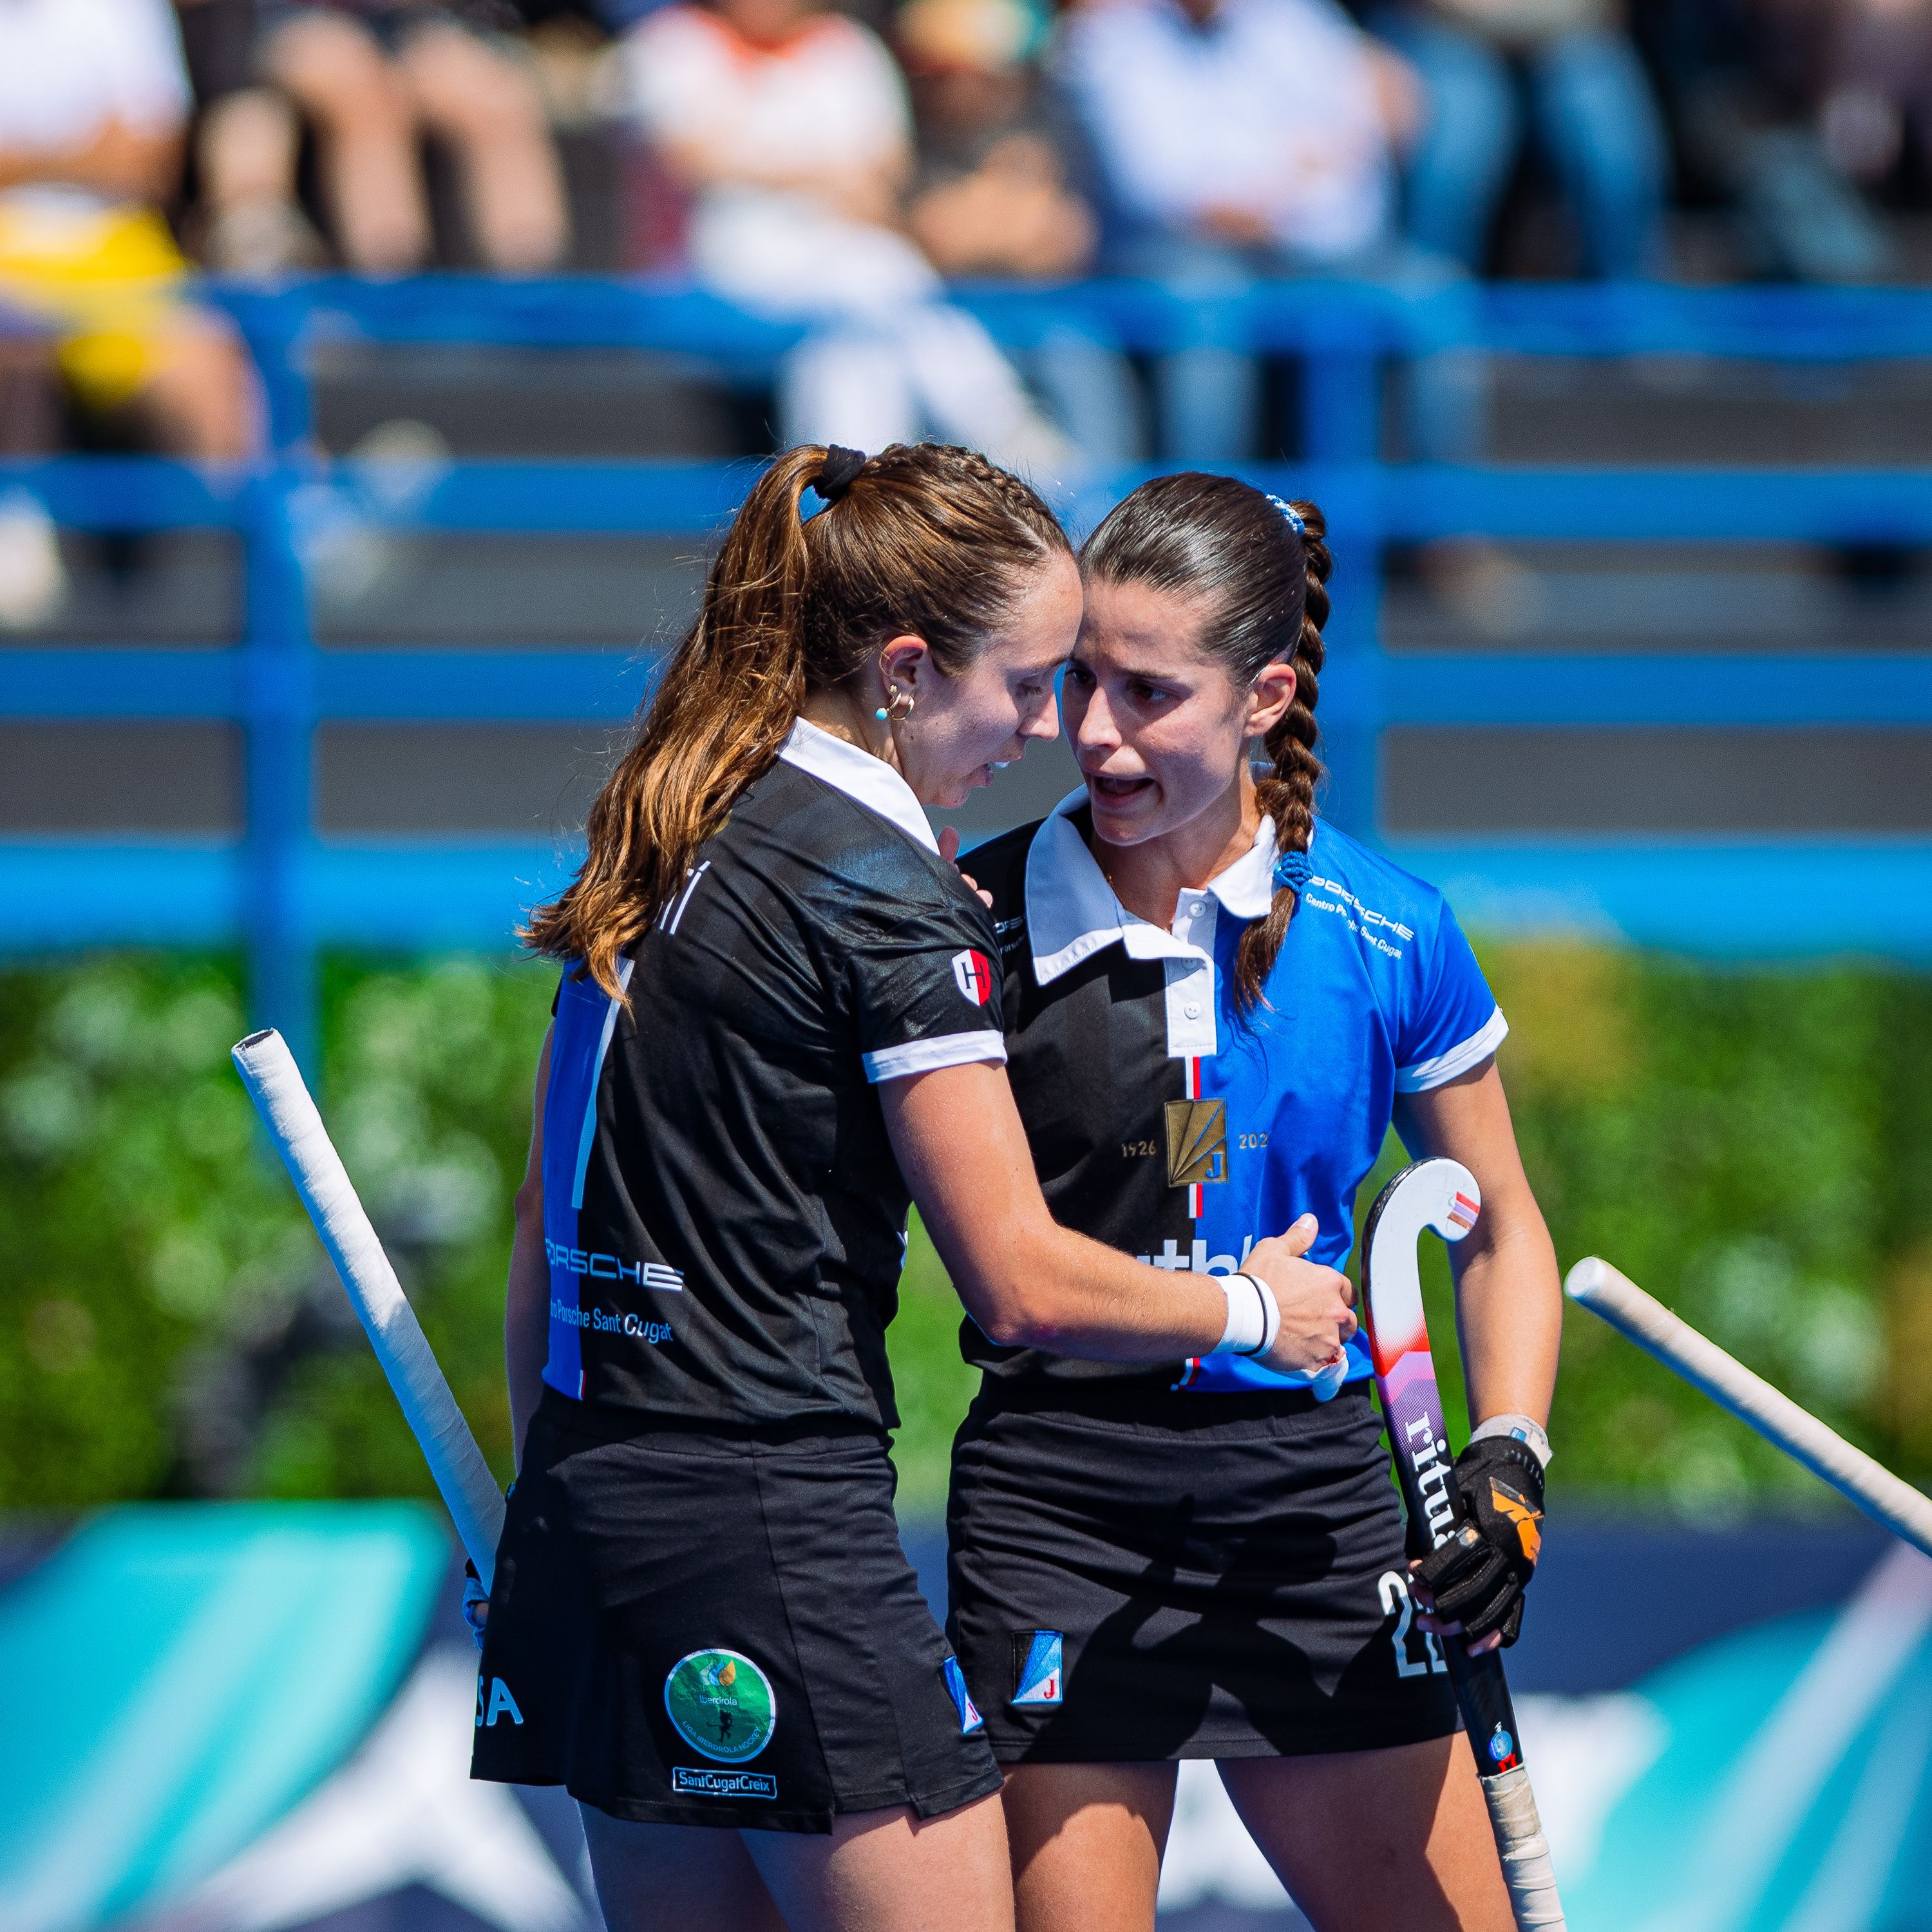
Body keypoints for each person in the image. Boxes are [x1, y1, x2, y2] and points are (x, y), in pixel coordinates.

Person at [468, 443, 1358, 1932]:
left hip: (589, 1503)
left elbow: (539, 1242)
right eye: (1029, 683)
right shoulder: (887, 890)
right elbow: (1014, 1274)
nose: (1051, 730)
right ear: (898, 669)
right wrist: (1257, 1304)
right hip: (771, 1513)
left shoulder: (675, 812)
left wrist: (546, 1511)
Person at [944, 472, 1563, 1931]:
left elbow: (1500, 1227)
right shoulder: (959, 923)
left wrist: (1510, 1459)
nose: (1091, 734)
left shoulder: (1387, 925)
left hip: (1316, 1510)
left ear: (1268, 692)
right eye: (1079, 678)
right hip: (1057, 1499)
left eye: (1149, 693)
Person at [619, 0, 1078, 473]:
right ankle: (1007, 434)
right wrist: (818, 176)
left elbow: (884, 177)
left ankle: (847, 497)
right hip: (713, 272)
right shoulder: (672, 42)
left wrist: (769, 166)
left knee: (850, 350)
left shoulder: (849, 49)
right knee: (877, 278)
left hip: (836, 275)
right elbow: (687, 158)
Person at [1052, 0, 1476, 462]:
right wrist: (1291, 177)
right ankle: (1202, 516)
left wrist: (1265, 195)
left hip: (1314, 250)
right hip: (1174, 253)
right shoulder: (1114, 34)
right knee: (1207, 296)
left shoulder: (1303, 21)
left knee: (1432, 290)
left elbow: (1354, 183)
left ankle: (1439, 525)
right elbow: (1159, 189)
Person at [0, 0, 259, 469]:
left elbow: (150, 159)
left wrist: (23, 159)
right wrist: (85, 155)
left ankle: (265, 534)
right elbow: (119, 154)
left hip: (111, 244)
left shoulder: (121, 9)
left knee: (216, 381)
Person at [898, 0, 1142, 464]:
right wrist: (1012, 211)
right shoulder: (920, 139)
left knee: (1079, 353)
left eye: (976, 71)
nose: (958, 87)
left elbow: (1066, 240)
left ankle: (1102, 519)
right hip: (953, 318)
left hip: (1050, 311)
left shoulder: (1057, 125)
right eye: (943, 74)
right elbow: (936, 241)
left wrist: (977, 217)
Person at [243, 0, 569, 272]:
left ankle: (532, 305)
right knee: (367, 95)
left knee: (498, 101)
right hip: (294, 20)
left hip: (412, 25)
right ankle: (393, 291)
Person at [1377, 0, 1670, 279]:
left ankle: (1627, 312)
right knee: (1456, 149)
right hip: (1447, 30)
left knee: (1613, 154)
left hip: (1572, 34)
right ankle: (1431, 310)